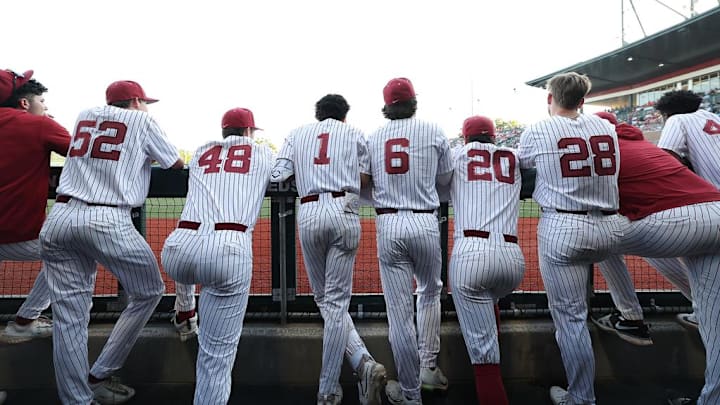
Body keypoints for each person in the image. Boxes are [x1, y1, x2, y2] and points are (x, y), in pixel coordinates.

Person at [39, 80, 184, 405]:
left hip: (60, 217)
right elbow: (174, 162)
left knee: (69, 319)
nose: (146, 107)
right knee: (149, 291)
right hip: (107, 219)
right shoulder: (142, 120)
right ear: (134, 101)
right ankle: (100, 372)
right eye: (144, 101)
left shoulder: (85, 115)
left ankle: (77, 399)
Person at [594, 109, 720, 405]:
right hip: (715, 212)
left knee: (593, 235)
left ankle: (630, 317)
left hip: (678, 222)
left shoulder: (602, 152)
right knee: (715, 325)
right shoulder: (642, 144)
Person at [271, 94, 387, 405]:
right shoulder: (354, 133)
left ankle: (346, 376)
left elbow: (278, 174)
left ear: (318, 114)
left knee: (325, 299)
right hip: (345, 210)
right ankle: (338, 381)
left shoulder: (298, 133)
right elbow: (365, 180)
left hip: (309, 212)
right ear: (344, 116)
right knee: (334, 303)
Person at [517, 72, 625, 405]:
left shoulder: (538, 129)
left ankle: (581, 397)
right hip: (611, 229)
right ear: (582, 101)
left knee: (571, 318)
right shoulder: (606, 127)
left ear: (550, 99)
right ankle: (632, 313)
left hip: (565, 228)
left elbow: (520, 167)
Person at [161, 107, 272, 404]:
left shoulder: (200, 152)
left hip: (177, 248)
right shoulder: (262, 154)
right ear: (249, 132)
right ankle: (186, 313)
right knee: (215, 360)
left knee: (189, 263)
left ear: (224, 131)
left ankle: (185, 310)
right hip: (227, 250)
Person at [365, 78, 453, 405]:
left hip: (389, 221)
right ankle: (428, 365)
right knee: (430, 291)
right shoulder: (434, 130)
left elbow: (364, 182)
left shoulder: (372, 137)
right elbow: (446, 179)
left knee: (399, 314)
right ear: (414, 101)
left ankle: (410, 392)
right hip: (424, 219)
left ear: (387, 106)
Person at [449, 116, 525, 405]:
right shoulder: (515, 157)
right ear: (494, 137)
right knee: (488, 301)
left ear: (465, 137)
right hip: (511, 259)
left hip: (471, 254)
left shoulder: (456, 155)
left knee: (485, 365)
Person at [0, 69, 71, 343]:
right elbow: (87, 153)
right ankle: (24, 321)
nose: (46, 106)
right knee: (74, 250)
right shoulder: (39, 125)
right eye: (42, 101)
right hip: (19, 237)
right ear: (24, 103)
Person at [656, 89, 720, 330]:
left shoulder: (677, 119)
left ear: (666, 112)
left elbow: (666, 157)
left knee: (663, 246)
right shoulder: (715, 117)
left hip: (710, 206)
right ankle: (705, 311)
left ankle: (705, 312)